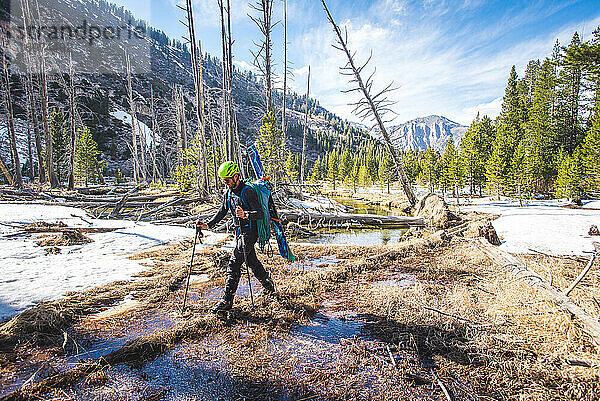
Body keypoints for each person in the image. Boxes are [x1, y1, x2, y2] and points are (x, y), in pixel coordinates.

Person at [196, 161, 275, 313]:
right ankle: (268, 285)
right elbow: (222, 211)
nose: (225, 183)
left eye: (227, 180)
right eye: (223, 180)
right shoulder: (229, 193)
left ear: (236, 176)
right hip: (239, 233)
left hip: (251, 232)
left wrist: (245, 214)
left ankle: (226, 301)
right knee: (251, 261)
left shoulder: (248, 192)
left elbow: (260, 214)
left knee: (234, 264)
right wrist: (208, 225)